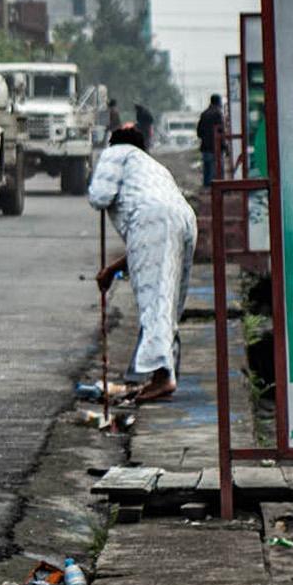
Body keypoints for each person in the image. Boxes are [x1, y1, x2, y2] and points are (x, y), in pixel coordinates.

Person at [88, 119, 197, 402]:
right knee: (169, 301)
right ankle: (163, 371)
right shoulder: (152, 166)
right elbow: (149, 247)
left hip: (153, 218)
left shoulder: (115, 153)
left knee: (154, 300)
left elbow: (99, 196)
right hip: (184, 218)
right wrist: (112, 270)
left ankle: (162, 377)